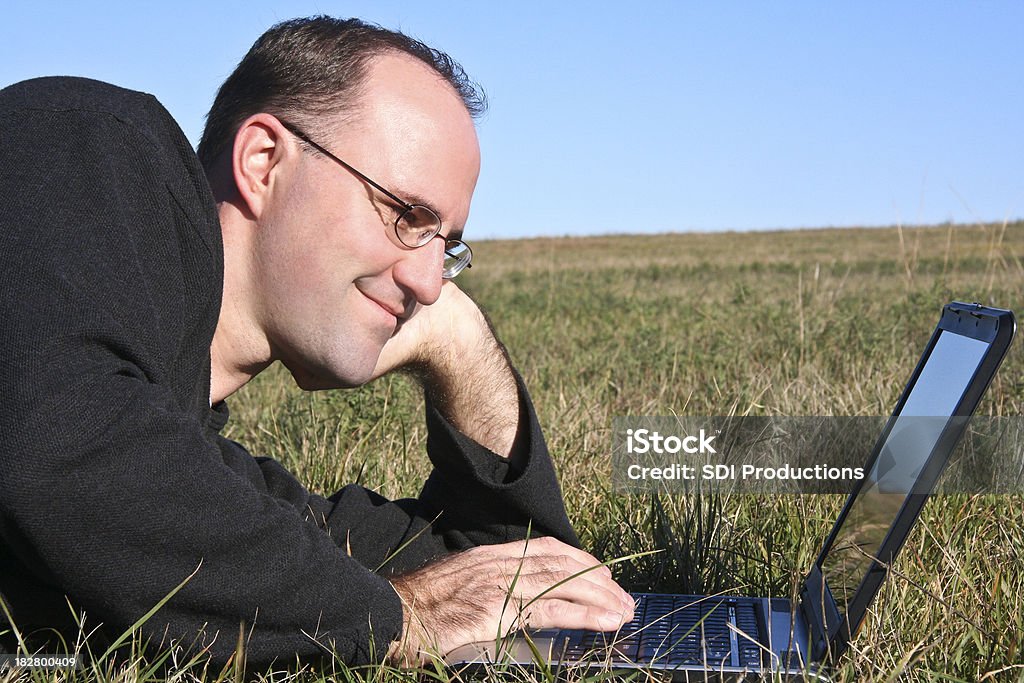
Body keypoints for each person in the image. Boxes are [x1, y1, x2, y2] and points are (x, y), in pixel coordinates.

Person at [0, 16, 633, 668]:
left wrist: (458, 339)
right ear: (263, 161)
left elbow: (516, 572)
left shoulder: (188, 484)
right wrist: (394, 617)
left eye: (446, 245)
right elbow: (61, 447)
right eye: (406, 216)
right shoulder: (86, 141)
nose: (427, 280)